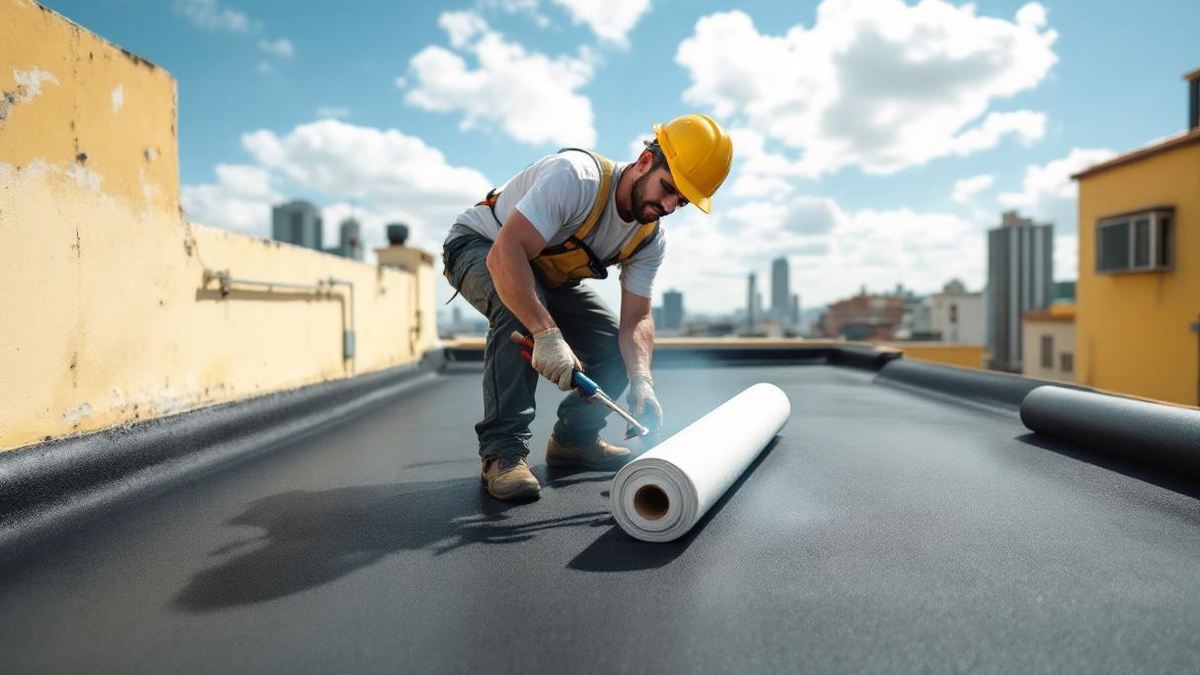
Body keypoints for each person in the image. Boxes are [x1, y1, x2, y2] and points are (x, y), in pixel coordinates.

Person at [441, 113, 733, 501]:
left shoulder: (648, 239)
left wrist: (641, 378)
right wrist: (546, 335)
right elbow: (505, 255)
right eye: (667, 189)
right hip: (480, 247)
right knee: (520, 313)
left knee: (615, 351)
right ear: (645, 162)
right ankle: (503, 454)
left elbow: (638, 318)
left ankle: (573, 442)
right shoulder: (576, 179)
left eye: (680, 201)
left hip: (545, 277)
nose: (668, 206)